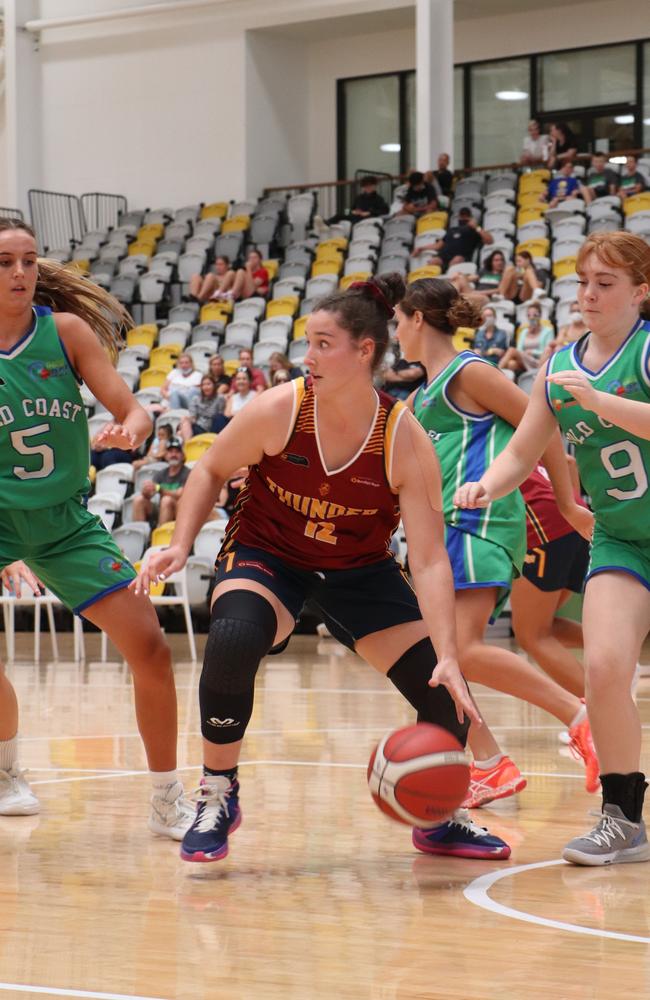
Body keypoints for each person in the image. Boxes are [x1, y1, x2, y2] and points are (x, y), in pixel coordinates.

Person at [135, 274, 513, 865]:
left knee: (444, 687)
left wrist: (447, 652)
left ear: (365, 350)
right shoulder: (280, 409)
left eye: (322, 344)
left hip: (359, 569)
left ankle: (440, 815)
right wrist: (181, 545)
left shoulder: (402, 436)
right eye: (306, 342)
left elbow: (431, 556)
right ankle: (218, 793)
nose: (306, 356)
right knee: (233, 636)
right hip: (270, 555)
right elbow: (208, 471)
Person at [454, 231, 650, 865]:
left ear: (640, 293)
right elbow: (522, 448)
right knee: (603, 666)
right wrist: (486, 484)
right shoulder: (559, 366)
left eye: (606, 283)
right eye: (584, 282)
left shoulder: (645, 353)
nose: (589, 294)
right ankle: (623, 817)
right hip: (621, 538)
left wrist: (604, 403)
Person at [0, 218, 193, 837]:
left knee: (152, 648)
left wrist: (132, 431)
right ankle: (6, 773)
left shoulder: (65, 332)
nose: (21, 274)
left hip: (65, 522)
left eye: (29, 261)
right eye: (6, 263)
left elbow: (132, 409)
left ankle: (167, 798)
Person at [394, 277, 597, 808]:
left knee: (460, 649)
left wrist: (570, 501)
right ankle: (489, 764)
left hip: (480, 521)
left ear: (417, 318)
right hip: (445, 532)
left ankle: (582, 716)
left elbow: (545, 427)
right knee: (439, 659)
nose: (395, 331)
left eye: (397, 320)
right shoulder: (419, 396)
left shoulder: (471, 372)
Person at [512, 462, 589, 700]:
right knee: (545, 627)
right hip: (576, 517)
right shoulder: (521, 440)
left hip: (544, 523)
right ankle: (619, 658)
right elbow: (568, 461)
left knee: (532, 635)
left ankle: (601, 713)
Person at [131, 437, 190, 526]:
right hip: (161, 509)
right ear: (166, 455)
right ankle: (140, 534)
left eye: (177, 452)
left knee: (166, 500)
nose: (173, 454)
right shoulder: (161, 474)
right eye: (170, 452)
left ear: (183, 455)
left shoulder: (187, 473)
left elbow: (180, 494)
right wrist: (145, 492)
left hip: (179, 510)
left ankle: (160, 536)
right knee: (138, 500)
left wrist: (159, 489)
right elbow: (151, 494)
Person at [416, 207, 493, 272]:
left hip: (461, 257)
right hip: (444, 257)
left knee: (456, 260)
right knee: (433, 261)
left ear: (470, 217)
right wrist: (421, 248)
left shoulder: (474, 231)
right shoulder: (451, 230)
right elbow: (438, 245)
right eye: (462, 216)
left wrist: (476, 227)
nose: (463, 218)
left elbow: (490, 241)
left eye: (466, 216)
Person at [499, 302, 555, 376]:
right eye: (529, 315)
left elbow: (547, 351)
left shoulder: (548, 331)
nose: (532, 317)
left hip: (539, 361)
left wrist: (532, 352)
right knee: (511, 364)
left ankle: (496, 372)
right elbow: (519, 349)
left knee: (511, 350)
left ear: (540, 316)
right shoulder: (524, 331)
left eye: (535, 315)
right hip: (525, 360)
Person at [323, 176, 389, 227]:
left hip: (368, 219)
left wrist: (369, 213)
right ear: (363, 187)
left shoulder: (379, 199)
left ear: (374, 186)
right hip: (356, 217)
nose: (368, 188)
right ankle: (326, 224)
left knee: (354, 224)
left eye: (370, 186)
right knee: (339, 215)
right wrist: (354, 211)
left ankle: (350, 240)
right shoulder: (359, 198)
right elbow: (352, 209)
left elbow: (385, 210)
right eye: (366, 186)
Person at [179, 374, 224, 440]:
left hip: (214, 428)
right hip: (199, 427)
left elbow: (221, 416)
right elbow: (193, 418)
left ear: (214, 385)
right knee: (184, 422)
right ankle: (187, 446)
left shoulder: (220, 398)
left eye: (208, 384)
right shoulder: (196, 399)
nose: (206, 387)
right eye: (203, 385)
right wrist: (187, 420)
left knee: (219, 418)